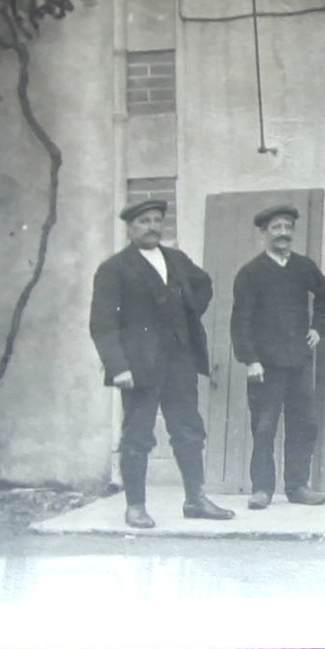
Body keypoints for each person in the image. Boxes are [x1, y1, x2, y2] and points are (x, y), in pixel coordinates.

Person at [88, 199, 233, 529]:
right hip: (139, 369)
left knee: (189, 431)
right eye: (144, 221)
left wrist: (188, 310)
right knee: (137, 435)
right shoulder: (114, 268)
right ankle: (135, 506)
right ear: (130, 228)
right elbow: (102, 324)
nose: (152, 226)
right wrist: (118, 367)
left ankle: (195, 499)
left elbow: (203, 284)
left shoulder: (176, 259)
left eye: (157, 220)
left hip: (180, 362)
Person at [230, 203, 325, 510]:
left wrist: (319, 329)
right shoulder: (250, 273)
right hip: (265, 366)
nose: (283, 234)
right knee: (264, 428)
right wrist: (250, 359)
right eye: (276, 228)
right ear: (264, 233)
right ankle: (262, 489)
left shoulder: (303, 267)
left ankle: (297, 486)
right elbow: (241, 322)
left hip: (299, 362)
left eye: (288, 227)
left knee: (303, 424)